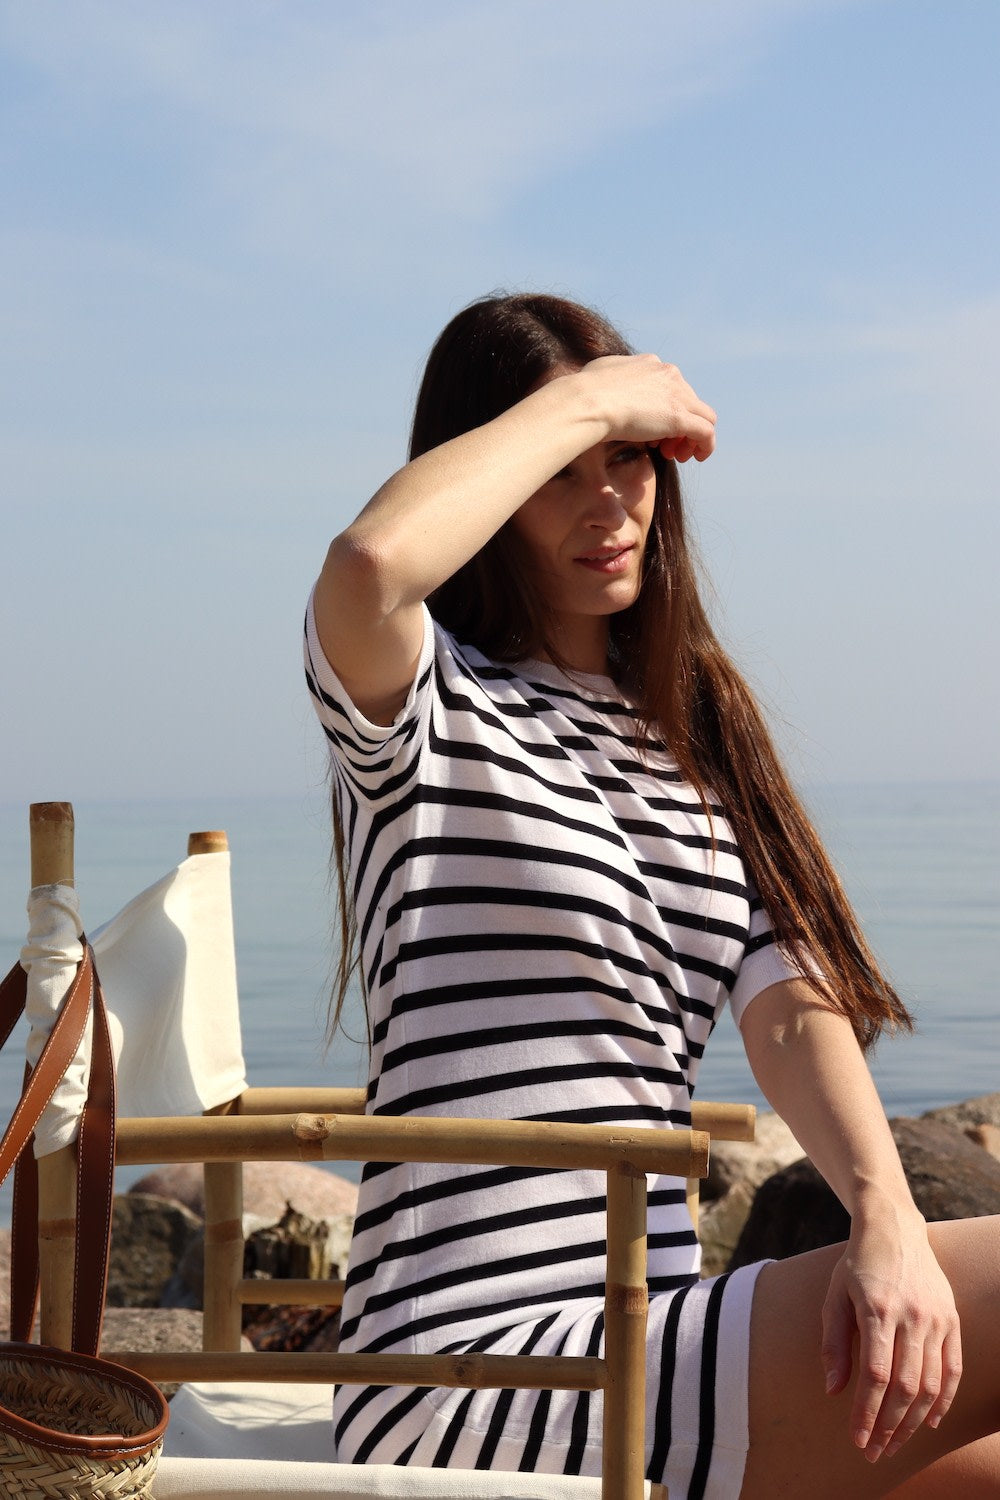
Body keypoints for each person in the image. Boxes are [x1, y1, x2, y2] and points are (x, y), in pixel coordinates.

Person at [305, 293, 1000, 1498]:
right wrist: (593, 397)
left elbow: (792, 1008)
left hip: (645, 1328)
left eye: (628, 461)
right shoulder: (427, 708)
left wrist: (885, 1220)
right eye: (559, 470)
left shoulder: (690, 735)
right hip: (464, 1366)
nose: (608, 501)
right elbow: (369, 565)